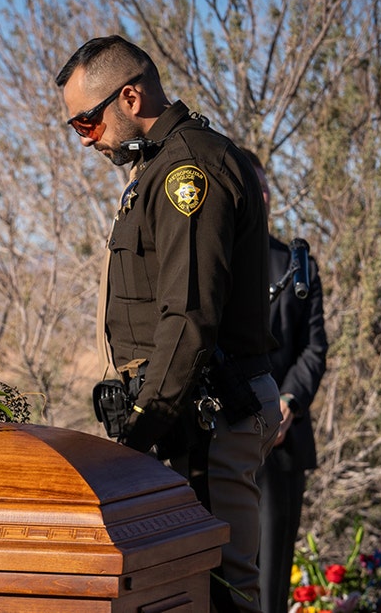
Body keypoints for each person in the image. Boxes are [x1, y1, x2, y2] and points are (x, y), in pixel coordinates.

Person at [58, 35, 280, 613]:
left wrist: (141, 428)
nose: (88, 141)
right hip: (180, 415)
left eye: (87, 123)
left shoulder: (187, 169)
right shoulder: (159, 166)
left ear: (129, 97)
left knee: (220, 592)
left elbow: (188, 319)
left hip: (204, 416)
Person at [247, 150, 328, 613]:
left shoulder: (299, 266)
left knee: (271, 580)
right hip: (221, 443)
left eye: (264, 186)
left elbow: (315, 348)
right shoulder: (211, 268)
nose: (260, 195)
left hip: (283, 443)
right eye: (249, 186)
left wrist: (287, 402)